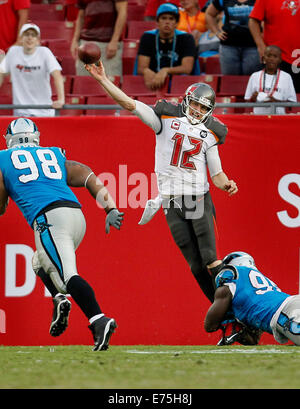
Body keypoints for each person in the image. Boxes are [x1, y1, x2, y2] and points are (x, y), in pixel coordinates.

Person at [85, 60, 238, 304]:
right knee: (196, 267)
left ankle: (243, 308)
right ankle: (225, 318)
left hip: (196, 197)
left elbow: (216, 173)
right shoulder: (165, 117)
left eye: (203, 107)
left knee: (211, 259)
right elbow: (129, 103)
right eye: (196, 104)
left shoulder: (211, 132)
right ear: (186, 100)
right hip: (171, 200)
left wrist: (227, 183)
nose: (198, 110)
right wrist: (103, 79)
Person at [0, 118, 124, 351]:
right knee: (38, 261)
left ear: (9, 139)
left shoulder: (2, 158)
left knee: (68, 278)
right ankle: (59, 299)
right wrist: (110, 207)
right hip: (76, 217)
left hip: (49, 219)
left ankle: (99, 320)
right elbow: (86, 174)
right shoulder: (53, 153)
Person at [204, 251, 300, 346]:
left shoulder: (232, 275)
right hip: (291, 306)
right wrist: (240, 331)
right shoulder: (260, 287)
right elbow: (254, 340)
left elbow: (210, 325)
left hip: (285, 313)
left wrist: (228, 321)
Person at [0, 23, 65, 117]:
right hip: (21, 113)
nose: (30, 38)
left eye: (33, 35)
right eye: (26, 34)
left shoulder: (45, 52)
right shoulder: (13, 52)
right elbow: (1, 73)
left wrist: (61, 99)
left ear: (38, 40)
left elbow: (57, 75)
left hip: (44, 112)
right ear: (21, 38)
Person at [137, 3, 197, 91]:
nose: (167, 22)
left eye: (171, 19)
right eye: (163, 18)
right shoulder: (147, 37)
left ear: (177, 23)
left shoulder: (186, 38)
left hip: (179, 84)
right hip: (153, 82)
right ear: (157, 22)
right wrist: (146, 71)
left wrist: (165, 70)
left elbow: (187, 68)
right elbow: (141, 68)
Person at [248, 0, 300, 93]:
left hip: (297, 56)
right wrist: (261, 46)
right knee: (276, 99)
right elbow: (253, 21)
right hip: (278, 58)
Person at [70, 0, 127, 77]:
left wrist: (114, 41)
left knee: (110, 84)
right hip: (85, 42)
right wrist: (75, 40)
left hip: (107, 43)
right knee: (84, 82)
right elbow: (81, 16)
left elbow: (122, 12)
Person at [205, 0, 262, 75]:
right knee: (230, 81)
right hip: (229, 46)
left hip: (252, 46)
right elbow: (209, 14)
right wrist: (217, 32)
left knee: (251, 79)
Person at [244, 45, 297, 115]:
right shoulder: (254, 76)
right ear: (263, 59)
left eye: (275, 56)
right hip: (259, 118)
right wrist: (253, 98)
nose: (271, 59)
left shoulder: (286, 77)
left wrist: (275, 102)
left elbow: (292, 104)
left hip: (279, 118)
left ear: (280, 59)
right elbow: (247, 102)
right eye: (269, 56)